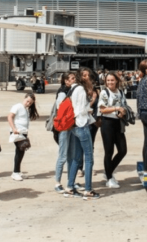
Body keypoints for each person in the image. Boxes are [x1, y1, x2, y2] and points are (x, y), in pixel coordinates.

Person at [64, 71, 100, 200]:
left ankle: (70, 187)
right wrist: (90, 105)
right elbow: (80, 110)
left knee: (77, 158)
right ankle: (88, 190)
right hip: (82, 125)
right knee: (89, 159)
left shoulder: (73, 89)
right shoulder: (80, 89)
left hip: (74, 126)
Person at [97, 72, 128, 189]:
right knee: (109, 151)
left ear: (117, 81)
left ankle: (108, 171)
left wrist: (123, 111)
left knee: (123, 150)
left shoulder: (120, 92)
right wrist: (116, 108)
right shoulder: (104, 93)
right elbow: (102, 110)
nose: (110, 82)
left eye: (112, 80)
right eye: (108, 80)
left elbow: (124, 105)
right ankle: (109, 178)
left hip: (118, 123)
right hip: (107, 124)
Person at [53, 73, 77, 193]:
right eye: (72, 78)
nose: (74, 79)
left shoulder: (72, 90)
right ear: (66, 81)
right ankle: (57, 183)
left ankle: (70, 181)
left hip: (71, 126)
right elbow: (60, 109)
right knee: (63, 156)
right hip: (64, 127)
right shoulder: (63, 92)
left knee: (71, 156)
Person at [8, 92, 39, 181]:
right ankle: (15, 173)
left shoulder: (26, 109)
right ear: (24, 98)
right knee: (20, 151)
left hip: (23, 133)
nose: (28, 103)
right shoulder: (17, 106)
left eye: (30, 103)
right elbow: (10, 117)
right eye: (27, 101)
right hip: (17, 132)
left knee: (21, 151)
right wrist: (13, 129)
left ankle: (17, 171)